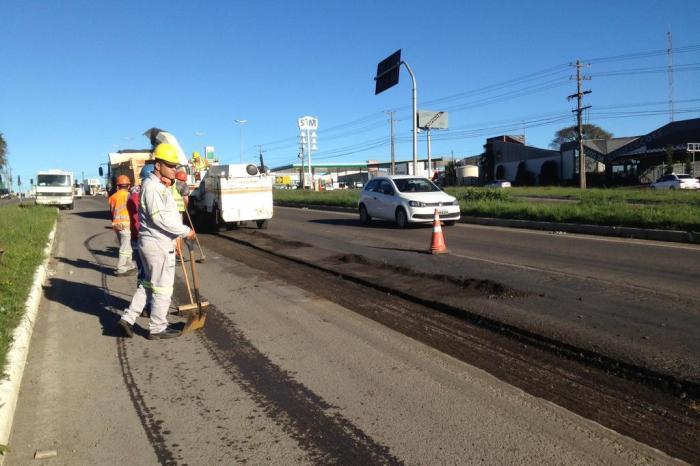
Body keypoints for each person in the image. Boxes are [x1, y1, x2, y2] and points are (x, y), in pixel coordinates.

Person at [118, 143, 196, 340]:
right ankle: (158, 327)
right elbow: (160, 218)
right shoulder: (152, 188)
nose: (174, 170)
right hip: (157, 244)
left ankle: (128, 318)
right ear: (158, 165)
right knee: (163, 287)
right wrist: (186, 231)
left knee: (148, 285)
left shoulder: (158, 186)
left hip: (153, 243)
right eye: (170, 166)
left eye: (175, 166)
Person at [126, 163, 155, 283]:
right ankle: (144, 298)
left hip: (138, 235)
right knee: (145, 271)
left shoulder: (136, 194)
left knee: (144, 270)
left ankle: (144, 296)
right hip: (141, 236)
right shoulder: (139, 194)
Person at [108, 175, 136, 276]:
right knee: (125, 247)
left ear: (118, 186)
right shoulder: (129, 196)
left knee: (126, 246)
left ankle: (129, 265)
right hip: (126, 225)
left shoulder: (112, 197)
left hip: (116, 225)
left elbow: (112, 212)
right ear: (128, 186)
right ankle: (121, 268)